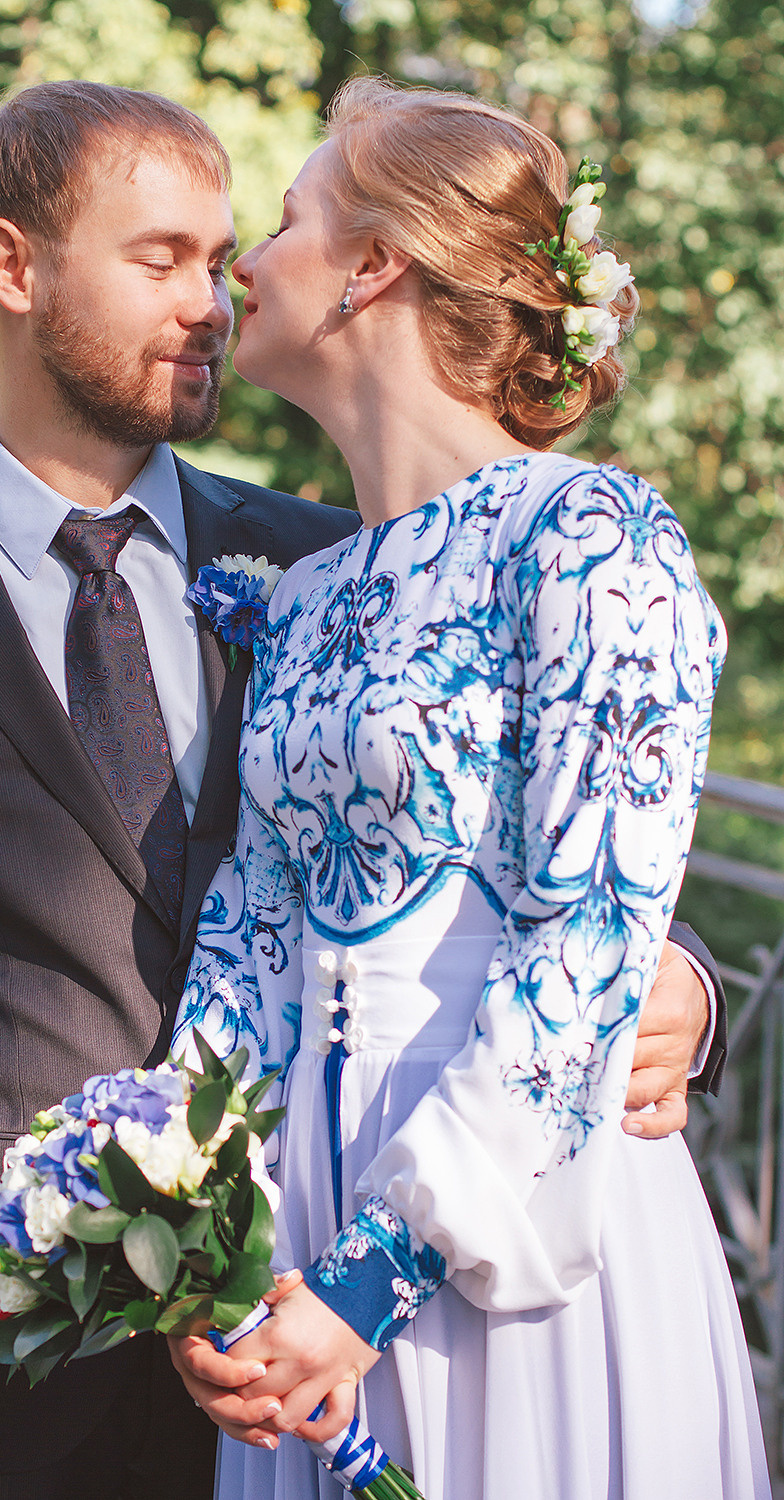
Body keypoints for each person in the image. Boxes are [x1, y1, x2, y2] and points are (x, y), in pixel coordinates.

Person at [0, 78, 720, 1500]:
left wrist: (683, 989)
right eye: (165, 261)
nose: (214, 299)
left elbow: (588, 859)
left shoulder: (317, 557)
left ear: (378, 271)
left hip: (428, 1253)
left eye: (235, 253)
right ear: (13, 269)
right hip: (32, 1328)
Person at [168, 79, 769, 1498]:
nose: (244, 262)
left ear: (375, 265)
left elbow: (588, 938)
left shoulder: (591, 538)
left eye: (288, 218)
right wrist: (195, 1232)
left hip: (514, 1227)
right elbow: (245, 938)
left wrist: (372, 1283)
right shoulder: (305, 598)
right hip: (297, 1250)